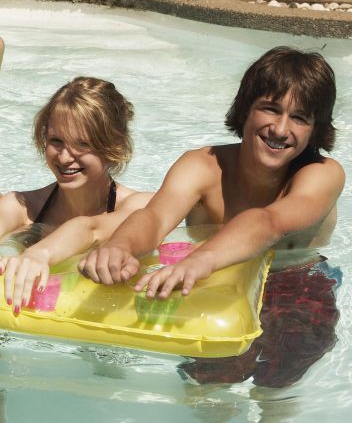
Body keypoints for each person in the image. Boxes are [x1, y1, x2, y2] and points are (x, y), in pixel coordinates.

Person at [79, 46, 344, 387]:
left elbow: (268, 223)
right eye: (270, 109)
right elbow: (155, 217)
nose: (280, 129)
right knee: (209, 380)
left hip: (294, 281)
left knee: (282, 374)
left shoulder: (321, 174)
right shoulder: (202, 167)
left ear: (314, 130)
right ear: (245, 110)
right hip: (220, 278)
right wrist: (120, 246)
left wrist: (198, 260)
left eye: (300, 118)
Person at [0, 77, 151, 311]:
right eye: (56, 141)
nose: (65, 157)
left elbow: (90, 228)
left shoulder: (140, 206)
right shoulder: (25, 205)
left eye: (82, 144)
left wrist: (38, 253)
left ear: (114, 147)